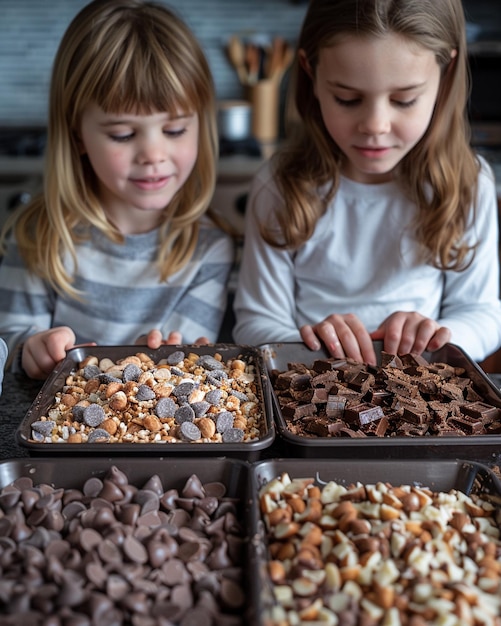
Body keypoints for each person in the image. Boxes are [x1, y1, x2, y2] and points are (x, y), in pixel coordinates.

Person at [233, 0, 501, 366]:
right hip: (307, 390)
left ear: (446, 74)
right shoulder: (280, 185)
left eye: (404, 100)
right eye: (347, 98)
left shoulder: (470, 184)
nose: (375, 125)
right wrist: (308, 343)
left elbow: (484, 314)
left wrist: (437, 336)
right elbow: (254, 321)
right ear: (311, 74)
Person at [0, 0, 234, 379]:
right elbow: (9, 349)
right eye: (123, 134)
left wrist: (153, 355)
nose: (154, 155)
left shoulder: (208, 249)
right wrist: (32, 349)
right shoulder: (37, 236)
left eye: (174, 130)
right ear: (77, 134)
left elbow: (183, 365)